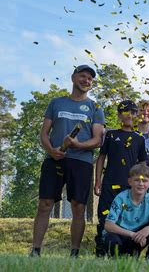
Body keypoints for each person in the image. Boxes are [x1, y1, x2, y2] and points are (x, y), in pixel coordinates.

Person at [30, 65, 105, 258]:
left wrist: (78, 145)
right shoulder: (56, 103)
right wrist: (51, 150)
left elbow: (98, 140)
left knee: (78, 207)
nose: (86, 80)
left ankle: (74, 253)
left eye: (90, 78)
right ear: (73, 78)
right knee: (45, 203)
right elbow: (44, 133)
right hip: (54, 160)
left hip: (81, 162)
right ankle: (35, 250)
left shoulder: (95, 108)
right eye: (83, 76)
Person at [94, 100, 147, 257]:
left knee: (128, 218)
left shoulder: (140, 139)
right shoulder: (111, 134)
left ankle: (127, 252)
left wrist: (142, 185)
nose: (129, 115)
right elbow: (101, 158)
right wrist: (98, 181)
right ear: (119, 115)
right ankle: (101, 251)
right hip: (110, 184)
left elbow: (143, 165)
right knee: (105, 218)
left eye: (133, 112)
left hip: (129, 188)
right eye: (125, 112)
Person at [103, 164, 149, 258]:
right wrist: (132, 234)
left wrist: (148, 229)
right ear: (130, 182)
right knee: (110, 238)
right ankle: (117, 259)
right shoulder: (121, 198)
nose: (141, 184)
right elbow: (108, 225)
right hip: (121, 236)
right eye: (137, 180)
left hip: (139, 239)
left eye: (144, 181)